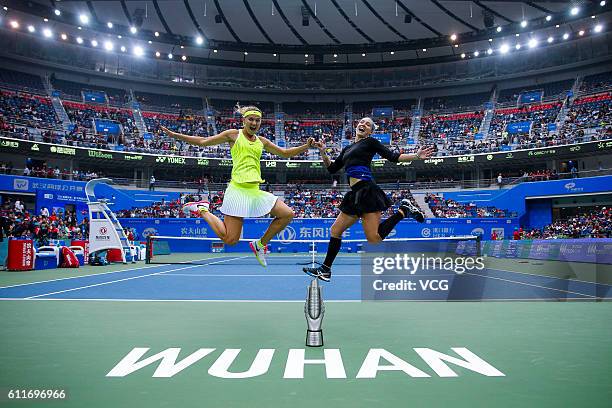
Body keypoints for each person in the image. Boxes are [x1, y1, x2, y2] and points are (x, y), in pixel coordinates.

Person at [161, 105, 316, 267]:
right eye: (251, 119)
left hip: (255, 192)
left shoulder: (262, 141)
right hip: (237, 191)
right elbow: (203, 142)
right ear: (244, 120)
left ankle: (260, 244)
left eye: (258, 120)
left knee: (287, 214)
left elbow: (284, 153)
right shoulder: (233, 135)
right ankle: (202, 209)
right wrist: (175, 135)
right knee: (230, 240)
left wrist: (306, 146)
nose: (254, 123)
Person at [303, 117, 435, 282]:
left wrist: (416, 155)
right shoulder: (347, 149)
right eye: (361, 122)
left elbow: (393, 156)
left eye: (367, 124)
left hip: (367, 190)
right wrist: (323, 151)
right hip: (354, 194)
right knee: (335, 230)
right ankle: (326, 270)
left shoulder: (370, 142)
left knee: (374, 239)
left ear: (371, 131)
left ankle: (403, 211)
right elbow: (332, 169)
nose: (363, 124)